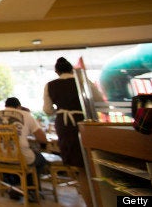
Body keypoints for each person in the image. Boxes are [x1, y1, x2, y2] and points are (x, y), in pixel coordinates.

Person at [43, 57, 97, 206]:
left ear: (57, 71)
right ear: (71, 69)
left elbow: (47, 110)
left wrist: (59, 107)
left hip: (65, 124)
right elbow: (97, 99)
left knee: (80, 166)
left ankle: (89, 200)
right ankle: (98, 198)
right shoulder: (83, 81)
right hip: (85, 122)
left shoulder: (51, 85)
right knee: (92, 162)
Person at [0, 97, 47, 200]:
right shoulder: (26, 115)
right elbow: (42, 139)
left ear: (5, 106)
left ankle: (14, 187)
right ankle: (31, 191)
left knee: (22, 156)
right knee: (40, 160)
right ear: (19, 107)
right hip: (19, 158)